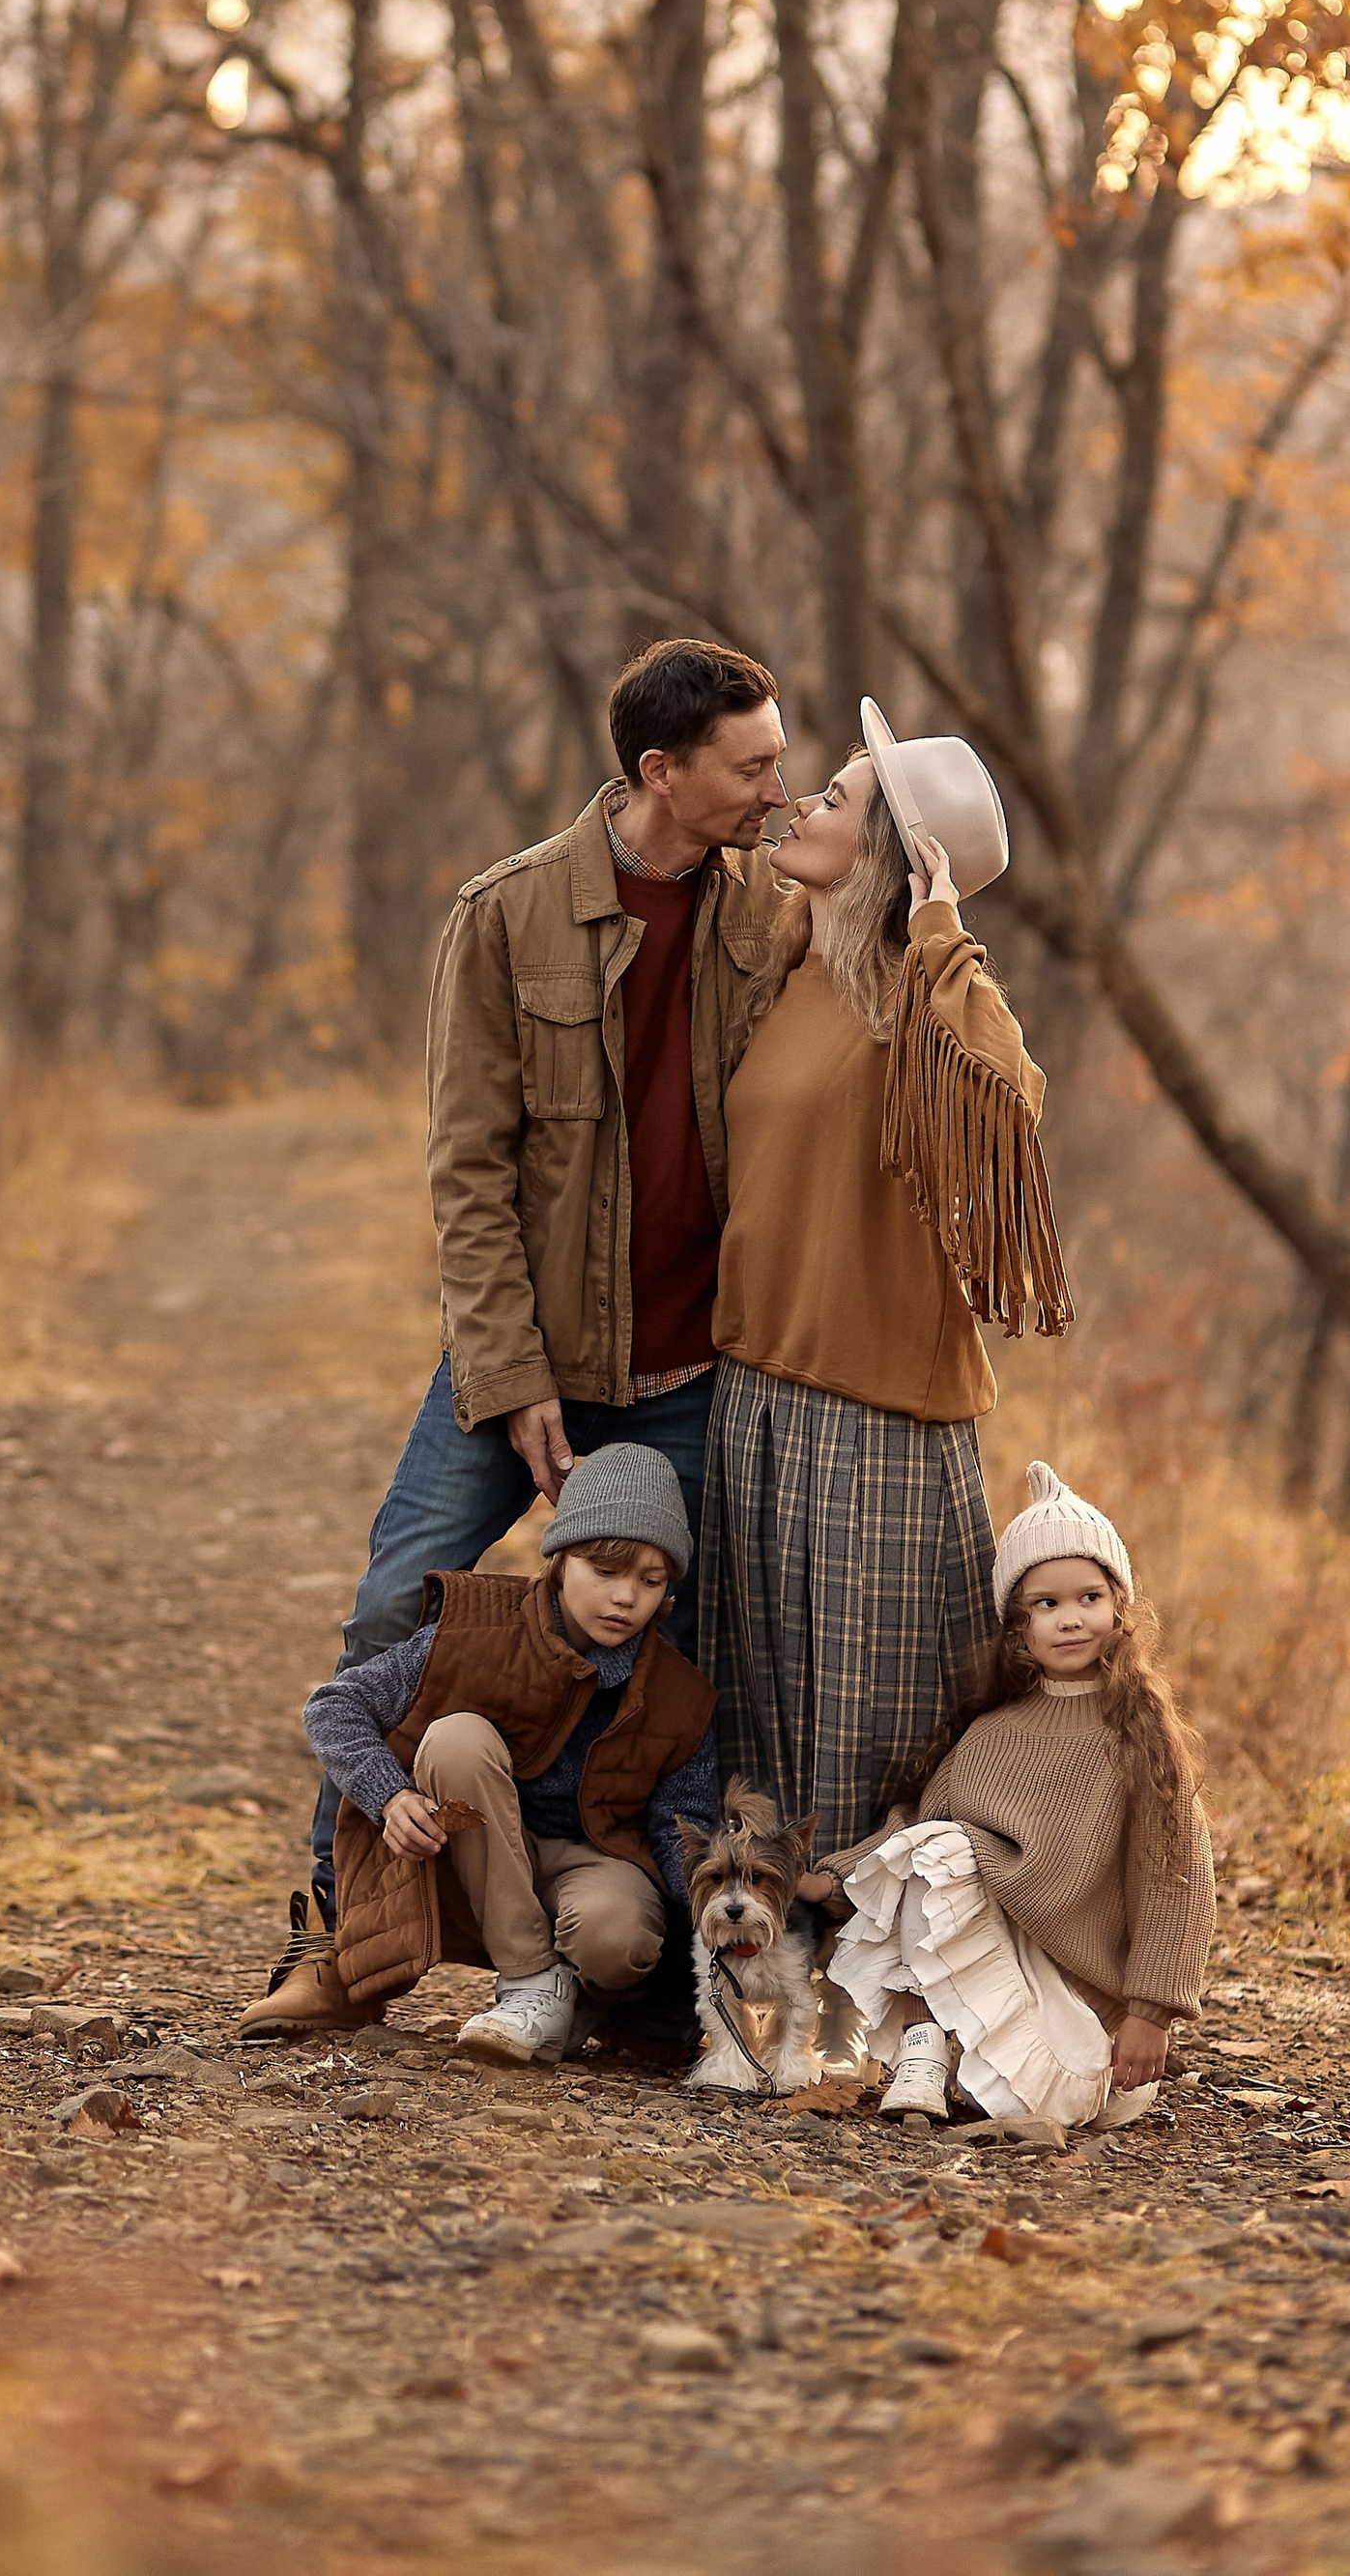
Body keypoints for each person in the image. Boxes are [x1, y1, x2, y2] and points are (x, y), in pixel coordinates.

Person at [242, 637, 795, 2036]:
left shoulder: (773, 915)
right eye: (753, 766)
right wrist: (511, 1376)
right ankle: (337, 1940)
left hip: (695, 1375)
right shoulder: (504, 916)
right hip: (521, 1358)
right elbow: (468, 1173)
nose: (777, 791)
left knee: (698, 1659)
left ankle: (672, 1979)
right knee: (396, 1604)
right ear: (659, 773)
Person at [697, 699, 1072, 1870]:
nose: (804, 800)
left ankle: (885, 1997)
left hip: (876, 1411)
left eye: (839, 798)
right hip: (756, 1389)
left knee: (870, 1728)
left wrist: (943, 922)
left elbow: (1010, 1096)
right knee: (757, 1708)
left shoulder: (921, 997)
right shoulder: (788, 969)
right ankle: (758, 1987)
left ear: (893, 854)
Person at [813, 1461, 1215, 2128]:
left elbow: (1177, 1881)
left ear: (1120, 1608)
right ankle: (923, 2051)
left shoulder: (1142, 1740)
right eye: (1046, 1605)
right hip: (1008, 1972)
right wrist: (831, 1878)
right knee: (936, 1848)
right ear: (1018, 1628)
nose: (1070, 1619)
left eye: (1089, 1597)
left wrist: (1151, 2012)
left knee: (1045, 2100)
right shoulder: (993, 1733)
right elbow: (918, 1831)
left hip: (1097, 2016)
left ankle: (977, 2071)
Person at [302, 1444, 721, 2063]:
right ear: (558, 1561)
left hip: (588, 1864)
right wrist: (388, 1795)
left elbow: (677, 1832)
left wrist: (729, 1909)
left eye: (650, 1581)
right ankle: (530, 1983)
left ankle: (575, 1999)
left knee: (620, 1934)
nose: (626, 1597)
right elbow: (333, 1708)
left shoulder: (680, 1694)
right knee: (457, 1739)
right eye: (605, 1571)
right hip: (468, 1855)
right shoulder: (475, 1626)